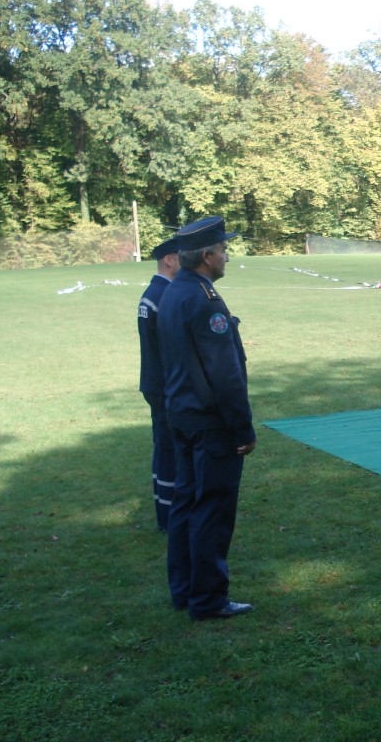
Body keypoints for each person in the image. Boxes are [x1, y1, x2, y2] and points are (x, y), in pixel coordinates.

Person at [157, 216, 257, 618]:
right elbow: (224, 373)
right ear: (206, 256)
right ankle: (209, 599)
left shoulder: (174, 291)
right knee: (211, 510)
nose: (226, 257)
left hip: (182, 415)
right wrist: (242, 429)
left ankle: (185, 590)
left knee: (185, 504)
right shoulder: (203, 299)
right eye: (222, 250)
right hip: (209, 422)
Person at [138, 236, 181, 532]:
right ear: (169, 259)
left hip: (154, 382)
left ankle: (165, 510)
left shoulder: (152, 293)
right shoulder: (164, 295)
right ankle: (169, 516)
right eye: (182, 256)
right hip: (166, 385)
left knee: (163, 448)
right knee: (169, 450)